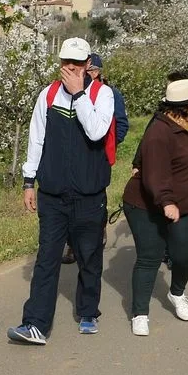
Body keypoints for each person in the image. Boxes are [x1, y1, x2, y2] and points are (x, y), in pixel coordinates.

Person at [7, 37, 114, 344]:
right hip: (52, 194)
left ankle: (88, 310)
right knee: (47, 258)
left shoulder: (102, 95)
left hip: (89, 194)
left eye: (77, 63)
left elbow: (96, 131)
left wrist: (80, 94)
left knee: (89, 255)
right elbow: (36, 139)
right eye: (66, 61)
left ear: (87, 66)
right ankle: (36, 324)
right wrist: (29, 181)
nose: (70, 67)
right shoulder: (48, 94)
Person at [122, 79, 188, 333]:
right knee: (150, 257)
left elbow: (187, 154)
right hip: (146, 206)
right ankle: (140, 313)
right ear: (185, 107)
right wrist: (166, 201)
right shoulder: (159, 132)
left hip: (182, 205)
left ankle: (177, 294)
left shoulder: (181, 127)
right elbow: (155, 173)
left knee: (185, 255)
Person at [61, 52, 127, 264]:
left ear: (97, 72)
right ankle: (72, 244)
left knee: (95, 199)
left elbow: (121, 124)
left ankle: (97, 233)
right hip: (73, 158)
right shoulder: (68, 91)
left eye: (91, 70)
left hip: (97, 156)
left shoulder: (109, 94)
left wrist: (108, 146)